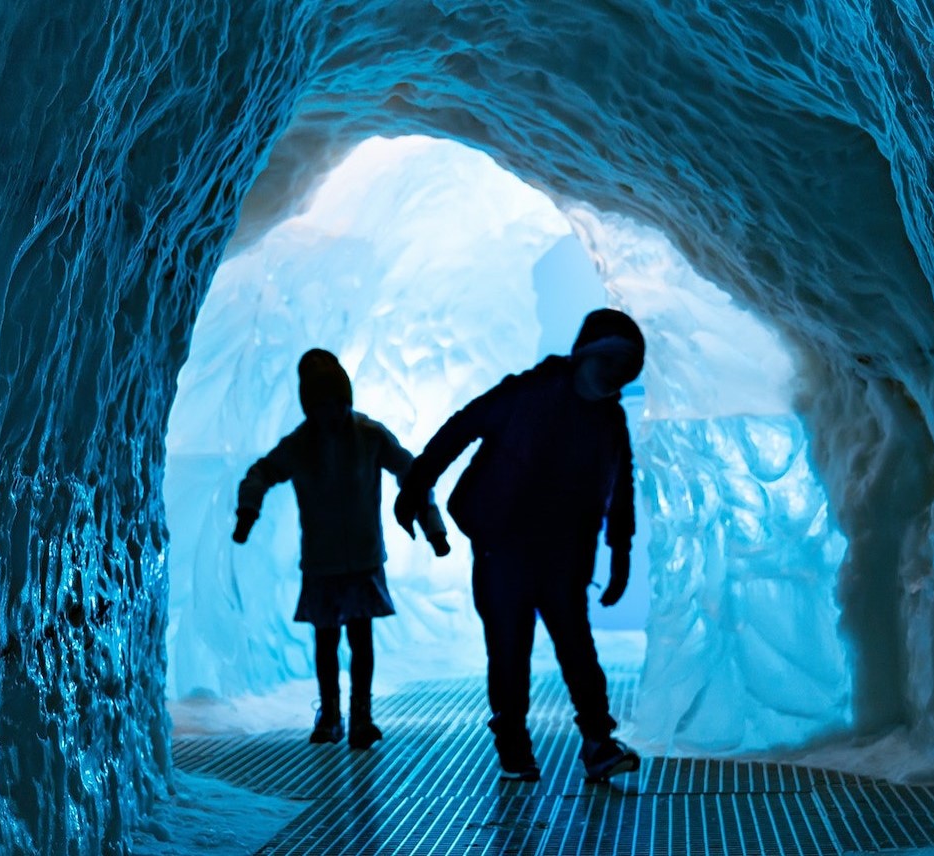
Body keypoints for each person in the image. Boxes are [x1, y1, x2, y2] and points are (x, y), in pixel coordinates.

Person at [394, 308, 645, 782]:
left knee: (577, 648)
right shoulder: (529, 391)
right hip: (503, 544)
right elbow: (463, 426)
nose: (615, 373)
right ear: (584, 356)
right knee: (509, 647)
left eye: (626, 365)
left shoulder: (610, 419)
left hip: (563, 554)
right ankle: (512, 742)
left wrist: (621, 553)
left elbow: (621, 487)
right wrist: (416, 485)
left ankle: (597, 742)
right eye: (609, 360)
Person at [233, 348, 449, 749]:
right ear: (309, 405)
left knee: (358, 639)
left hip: (359, 558)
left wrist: (432, 526)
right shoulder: (303, 443)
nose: (328, 411)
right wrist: (248, 510)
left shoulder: (369, 436)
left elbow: (411, 474)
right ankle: (333, 715)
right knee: (329, 640)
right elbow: (262, 473)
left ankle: (359, 716)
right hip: (325, 560)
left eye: (333, 402)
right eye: (319, 404)